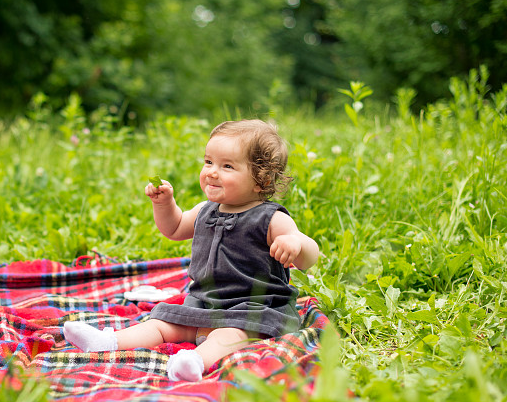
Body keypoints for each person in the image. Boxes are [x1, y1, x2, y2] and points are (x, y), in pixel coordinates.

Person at [64, 119, 320, 381]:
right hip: (203, 303)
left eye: (227, 166)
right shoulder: (204, 210)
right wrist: (165, 204)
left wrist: (296, 243)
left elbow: (311, 256)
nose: (211, 172)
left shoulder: (271, 218)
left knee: (228, 335)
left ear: (260, 180)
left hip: (252, 309)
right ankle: (108, 342)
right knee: (162, 324)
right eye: (209, 162)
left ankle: (194, 362)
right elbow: (174, 229)